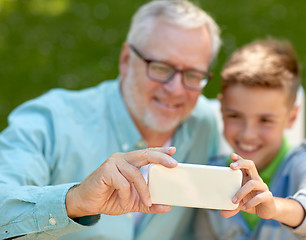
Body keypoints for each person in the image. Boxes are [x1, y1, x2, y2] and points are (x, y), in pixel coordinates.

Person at [0, 1, 234, 239]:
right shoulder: (50, 121)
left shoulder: (208, 124)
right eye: (162, 68)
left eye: (193, 74)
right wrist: (76, 200)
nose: (175, 89)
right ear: (125, 59)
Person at [195, 38, 306, 239]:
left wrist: (275, 207)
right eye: (235, 116)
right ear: (222, 109)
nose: (248, 134)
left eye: (265, 120)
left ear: (291, 117)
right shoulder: (211, 176)